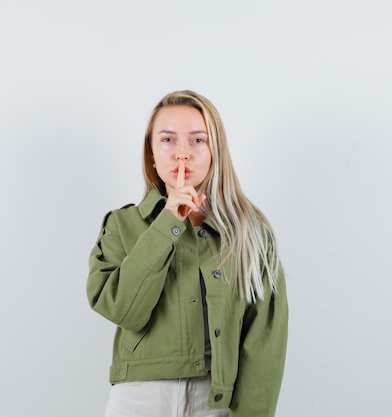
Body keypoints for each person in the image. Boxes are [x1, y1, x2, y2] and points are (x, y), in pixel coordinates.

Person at [87, 90, 288, 417]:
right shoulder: (121, 225)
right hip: (138, 399)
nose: (183, 154)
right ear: (151, 152)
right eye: (168, 139)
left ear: (215, 152)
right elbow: (124, 311)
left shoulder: (252, 235)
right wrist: (169, 222)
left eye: (197, 141)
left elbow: (264, 344)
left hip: (216, 403)